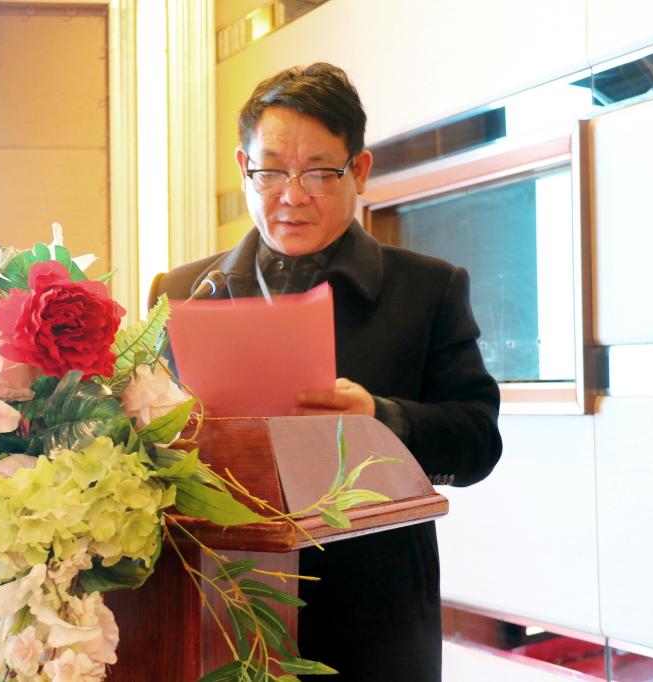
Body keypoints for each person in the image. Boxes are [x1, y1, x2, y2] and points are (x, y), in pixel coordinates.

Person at [151, 63, 502, 681]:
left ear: (359, 171)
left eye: (318, 172)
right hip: (217, 606)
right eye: (270, 171)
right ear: (243, 167)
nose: (292, 195)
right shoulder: (183, 291)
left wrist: (379, 419)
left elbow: (476, 447)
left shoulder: (427, 289)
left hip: (373, 616)